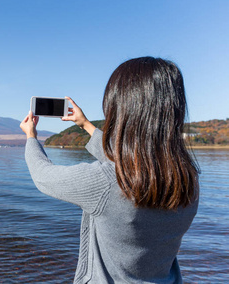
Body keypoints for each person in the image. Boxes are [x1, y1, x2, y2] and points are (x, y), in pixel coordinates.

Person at [20, 57, 199, 284]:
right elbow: (129, 164)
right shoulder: (188, 180)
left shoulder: (105, 183)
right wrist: (85, 124)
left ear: (121, 108)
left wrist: (31, 137)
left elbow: (42, 176)